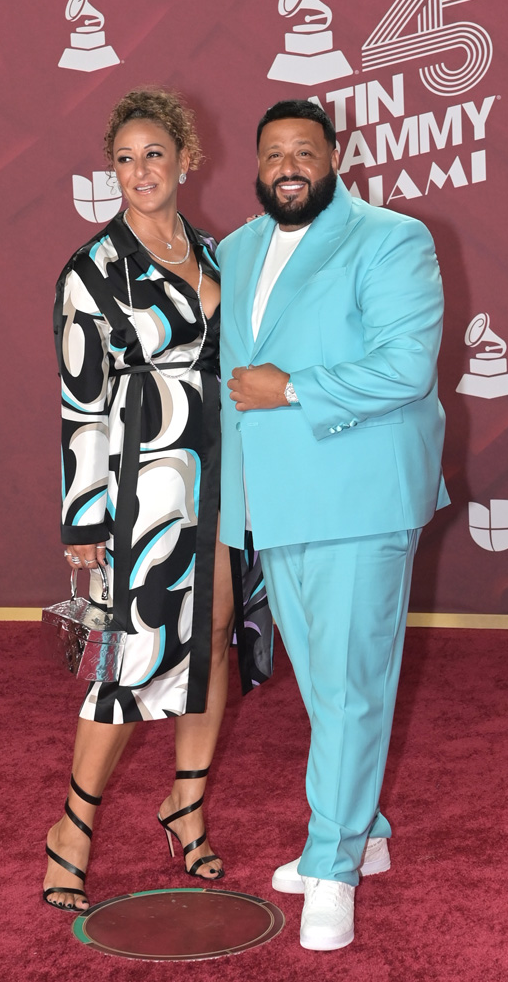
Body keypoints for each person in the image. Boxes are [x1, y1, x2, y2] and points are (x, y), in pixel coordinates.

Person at [217, 100, 449, 951]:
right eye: (272, 150)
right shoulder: (236, 248)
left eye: (303, 152)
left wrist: (296, 387)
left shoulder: (390, 238)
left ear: (333, 157)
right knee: (325, 687)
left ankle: (334, 861)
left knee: (349, 689)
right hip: (271, 501)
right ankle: (369, 829)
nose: (287, 164)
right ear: (255, 160)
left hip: (359, 495)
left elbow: (403, 365)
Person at [43, 88, 270, 911]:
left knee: (211, 641)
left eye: (152, 154)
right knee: (131, 661)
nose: (138, 170)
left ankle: (186, 803)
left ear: (185, 161)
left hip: (223, 475)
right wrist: (84, 517)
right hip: (141, 483)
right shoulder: (92, 269)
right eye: (124, 158)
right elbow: (79, 404)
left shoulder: (214, 255)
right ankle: (73, 826)